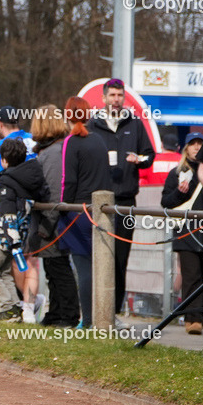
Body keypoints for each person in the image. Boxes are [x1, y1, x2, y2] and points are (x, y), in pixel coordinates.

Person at [87, 78, 155, 314]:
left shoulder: (134, 123)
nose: (116, 100)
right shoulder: (92, 125)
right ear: (104, 98)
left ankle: (113, 312)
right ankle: (94, 309)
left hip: (126, 201)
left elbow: (150, 155)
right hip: (98, 200)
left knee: (120, 257)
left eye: (119, 95)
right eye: (112, 95)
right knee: (96, 255)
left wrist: (139, 159)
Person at [58, 97, 112, 328]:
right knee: (102, 266)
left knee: (84, 268)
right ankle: (105, 316)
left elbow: (68, 181)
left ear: (67, 114)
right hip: (102, 211)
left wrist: (63, 206)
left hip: (79, 212)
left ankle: (88, 319)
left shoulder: (71, 142)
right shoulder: (98, 139)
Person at [0, 138, 49, 321]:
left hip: (3, 236)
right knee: (4, 272)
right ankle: (12, 311)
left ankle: (9, 306)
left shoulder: (7, 180)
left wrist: (11, 239)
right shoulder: (32, 177)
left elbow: (7, 211)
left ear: (4, 159)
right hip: (22, 232)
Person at [29, 105, 80, 327]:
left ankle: (67, 315)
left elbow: (52, 192)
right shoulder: (54, 149)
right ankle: (56, 312)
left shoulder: (52, 153)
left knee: (59, 269)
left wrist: (46, 225)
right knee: (53, 269)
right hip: (54, 220)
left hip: (54, 221)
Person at [161, 132, 203, 334]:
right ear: (186, 148)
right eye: (192, 144)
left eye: (200, 144)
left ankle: (199, 316)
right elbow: (165, 202)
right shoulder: (177, 173)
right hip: (186, 230)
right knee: (191, 275)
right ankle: (192, 320)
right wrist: (179, 192)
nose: (197, 148)